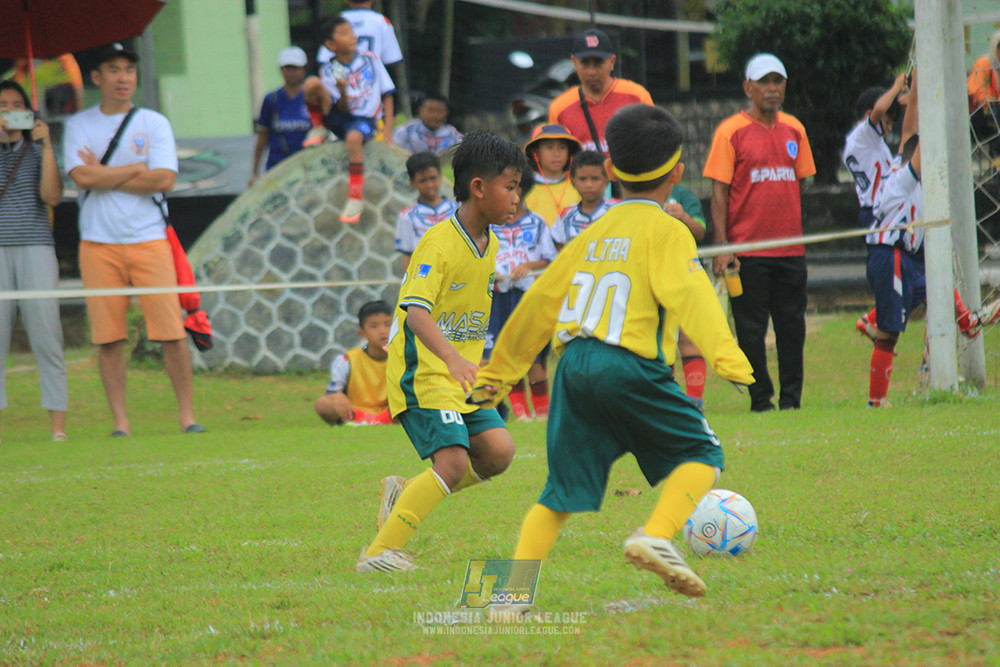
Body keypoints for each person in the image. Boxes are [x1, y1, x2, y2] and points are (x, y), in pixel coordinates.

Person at [475, 104, 753, 603]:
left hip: (572, 366)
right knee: (703, 456)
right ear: (677, 172)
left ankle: (510, 596)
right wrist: (729, 359)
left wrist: (498, 372)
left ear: (609, 172)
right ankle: (656, 535)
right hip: (628, 364)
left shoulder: (588, 234)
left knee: (556, 495)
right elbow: (693, 295)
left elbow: (539, 301)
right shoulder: (668, 230)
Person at [356, 132, 527, 573]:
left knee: (499, 452)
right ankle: (378, 553)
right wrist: (452, 358)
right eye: (510, 187)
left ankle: (406, 491)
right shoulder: (438, 242)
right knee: (451, 463)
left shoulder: (489, 245)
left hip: (461, 377)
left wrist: (477, 361)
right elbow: (415, 312)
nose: (517, 198)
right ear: (478, 187)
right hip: (424, 372)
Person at [63, 43, 203, 437]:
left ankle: (187, 416)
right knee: (109, 338)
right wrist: (135, 169)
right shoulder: (79, 125)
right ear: (97, 78)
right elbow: (81, 178)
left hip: (149, 238)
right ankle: (121, 422)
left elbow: (164, 180)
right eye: (113, 69)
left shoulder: (153, 122)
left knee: (171, 332)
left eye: (128, 70)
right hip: (97, 242)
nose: (123, 77)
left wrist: (106, 172)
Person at [703, 53, 816, 413]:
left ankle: (792, 400)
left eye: (777, 81)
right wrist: (723, 247)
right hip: (747, 252)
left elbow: (803, 183)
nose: (771, 89)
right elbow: (719, 193)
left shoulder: (794, 129)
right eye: (763, 82)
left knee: (792, 328)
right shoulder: (730, 132)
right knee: (751, 331)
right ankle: (761, 399)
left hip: (790, 250)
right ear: (747, 87)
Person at [845, 76, 981, 345]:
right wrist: (898, 90)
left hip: (886, 211)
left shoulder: (879, 149)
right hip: (883, 216)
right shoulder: (863, 137)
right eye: (887, 122)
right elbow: (902, 129)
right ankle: (879, 318)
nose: (889, 127)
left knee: (930, 271)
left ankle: (963, 317)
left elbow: (907, 131)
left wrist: (918, 83)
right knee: (925, 266)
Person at [0, 80, 67, 442]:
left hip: (36, 245)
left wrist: (46, 144)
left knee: (46, 334)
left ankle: (57, 427)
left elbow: (52, 196)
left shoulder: (37, 150)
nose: (8, 112)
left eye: (16, 106)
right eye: (2, 105)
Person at [303, 16, 395, 224]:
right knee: (310, 84)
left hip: (363, 119)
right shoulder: (330, 69)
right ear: (331, 45)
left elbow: (387, 93)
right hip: (339, 115)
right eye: (344, 33)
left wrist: (387, 129)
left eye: (351, 31)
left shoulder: (370, 58)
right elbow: (342, 108)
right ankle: (319, 127)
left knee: (354, 139)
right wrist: (342, 90)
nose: (352, 36)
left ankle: (355, 197)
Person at [483, 169, 557, 421]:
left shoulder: (536, 223)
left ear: (521, 191)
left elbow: (550, 259)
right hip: (499, 297)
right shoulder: (490, 223)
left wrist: (529, 266)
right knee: (504, 353)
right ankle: (521, 414)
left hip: (528, 296)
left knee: (534, 357)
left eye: (512, 188)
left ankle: (543, 414)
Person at [548, 28, 653, 156]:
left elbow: (652, 145)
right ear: (574, 63)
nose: (592, 72)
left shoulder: (637, 97)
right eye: (585, 63)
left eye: (598, 63)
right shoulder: (560, 108)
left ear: (612, 62)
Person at [664, 184, 710, 408]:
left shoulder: (683, 195)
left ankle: (695, 400)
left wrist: (684, 217)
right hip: (651, 274)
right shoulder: (633, 193)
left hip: (684, 272)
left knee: (688, 336)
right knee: (660, 339)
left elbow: (700, 231)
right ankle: (665, 397)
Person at [315, 301, 393, 425]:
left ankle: (381, 420)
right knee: (322, 403)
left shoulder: (402, 357)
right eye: (374, 326)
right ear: (362, 333)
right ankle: (362, 420)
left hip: (390, 413)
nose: (383, 331)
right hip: (355, 412)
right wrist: (338, 395)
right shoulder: (348, 360)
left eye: (388, 325)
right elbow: (333, 391)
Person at [248, 46, 312, 186]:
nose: (291, 73)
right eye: (287, 68)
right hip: (277, 166)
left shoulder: (312, 98)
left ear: (304, 69)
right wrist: (254, 172)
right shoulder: (272, 100)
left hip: (307, 166)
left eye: (295, 68)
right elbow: (262, 138)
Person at [394, 151, 458, 271]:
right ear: (412, 182)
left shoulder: (457, 209)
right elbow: (407, 256)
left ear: (440, 176)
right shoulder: (407, 216)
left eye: (432, 178)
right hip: (425, 276)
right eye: (422, 180)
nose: (429, 184)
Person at [550, 149, 614, 250]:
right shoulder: (566, 216)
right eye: (582, 179)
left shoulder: (615, 210)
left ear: (606, 181)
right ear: (573, 181)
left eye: (595, 179)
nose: (588, 185)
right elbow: (559, 249)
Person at [316, 0, 403, 70]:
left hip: (341, 82)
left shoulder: (336, 21)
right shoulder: (381, 21)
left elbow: (324, 60)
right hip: (372, 84)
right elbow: (392, 61)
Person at [523, 123, 581, 227]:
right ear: (536, 152)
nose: (556, 154)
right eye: (549, 147)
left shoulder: (578, 187)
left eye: (562, 147)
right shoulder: (525, 189)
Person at [392, 93, 462, 155]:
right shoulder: (407, 131)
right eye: (430, 110)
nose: (434, 115)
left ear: (446, 113)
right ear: (420, 110)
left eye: (439, 111)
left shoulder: (453, 134)